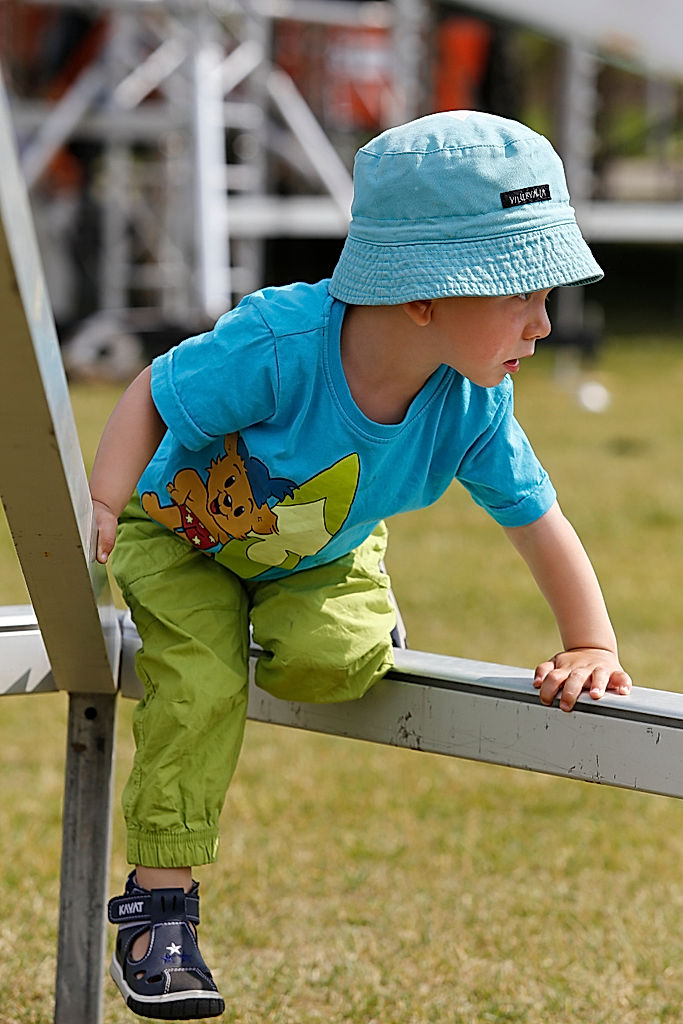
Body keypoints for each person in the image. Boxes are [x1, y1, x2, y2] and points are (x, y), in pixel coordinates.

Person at [90, 110, 632, 1020]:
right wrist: (104, 501)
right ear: (423, 295)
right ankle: (160, 912)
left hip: (317, 555)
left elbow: (537, 520)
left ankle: (357, 602)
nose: (544, 325)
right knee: (199, 683)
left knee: (334, 663)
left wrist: (590, 641)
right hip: (181, 539)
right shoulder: (280, 344)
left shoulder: (471, 406)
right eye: (522, 294)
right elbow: (155, 388)